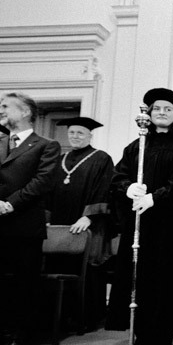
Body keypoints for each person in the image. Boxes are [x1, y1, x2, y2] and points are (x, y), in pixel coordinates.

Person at [105, 88, 173, 345]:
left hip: (168, 226)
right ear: (148, 113)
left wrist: (154, 198)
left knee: (163, 277)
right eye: (156, 109)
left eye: (167, 109)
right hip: (140, 224)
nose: (161, 113)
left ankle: (160, 335)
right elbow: (118, 176)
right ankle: (140, 333)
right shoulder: (136, 146)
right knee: (139, 275)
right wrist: (127, 188)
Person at [0, 92, 61, 345]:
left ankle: (18, 336)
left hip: (23, 226)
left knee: (22, 284)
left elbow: (42, 182)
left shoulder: (46, 145)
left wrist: (8, 205)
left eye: (5, 107)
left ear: (25, 112)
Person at [46, 117, 115, 328]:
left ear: (90, 135)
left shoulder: (101, 158)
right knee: (56, 264)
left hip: (88, 225)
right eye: (72, 133)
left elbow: (105, 189)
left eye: (80, 133)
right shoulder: (59, 159)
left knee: (87, 268)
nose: (75, 136)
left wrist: (88, 216)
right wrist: (47, 220)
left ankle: (86, 318)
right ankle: (57, 318)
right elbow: (48, 191)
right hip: (60, 222)